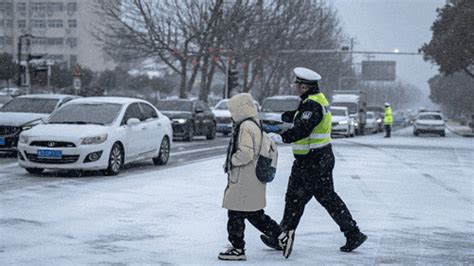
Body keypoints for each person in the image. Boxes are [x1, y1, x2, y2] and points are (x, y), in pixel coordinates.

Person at [260, 67, 367, 259]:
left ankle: (282, 237)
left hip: (311, 161)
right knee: (326, 199)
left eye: (297, 84)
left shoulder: (311, 105)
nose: (295, 87)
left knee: (295, 199)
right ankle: (353, 233)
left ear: (303, 86)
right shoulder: (317, 100)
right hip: (321, 158)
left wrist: (281, 136)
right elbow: (300, 116)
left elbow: (303, 128)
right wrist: (280, 117)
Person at [219, 93, 281, 261]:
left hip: (243, 177)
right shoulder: (254, 124)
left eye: (232, 110)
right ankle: (280, 236)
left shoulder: (245, 126)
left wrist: (232, 160)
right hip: (252, 177)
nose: (231, 114)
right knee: (253, 213)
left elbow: (246, 153)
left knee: (235, 213)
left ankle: (238, 249)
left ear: (240, 109)